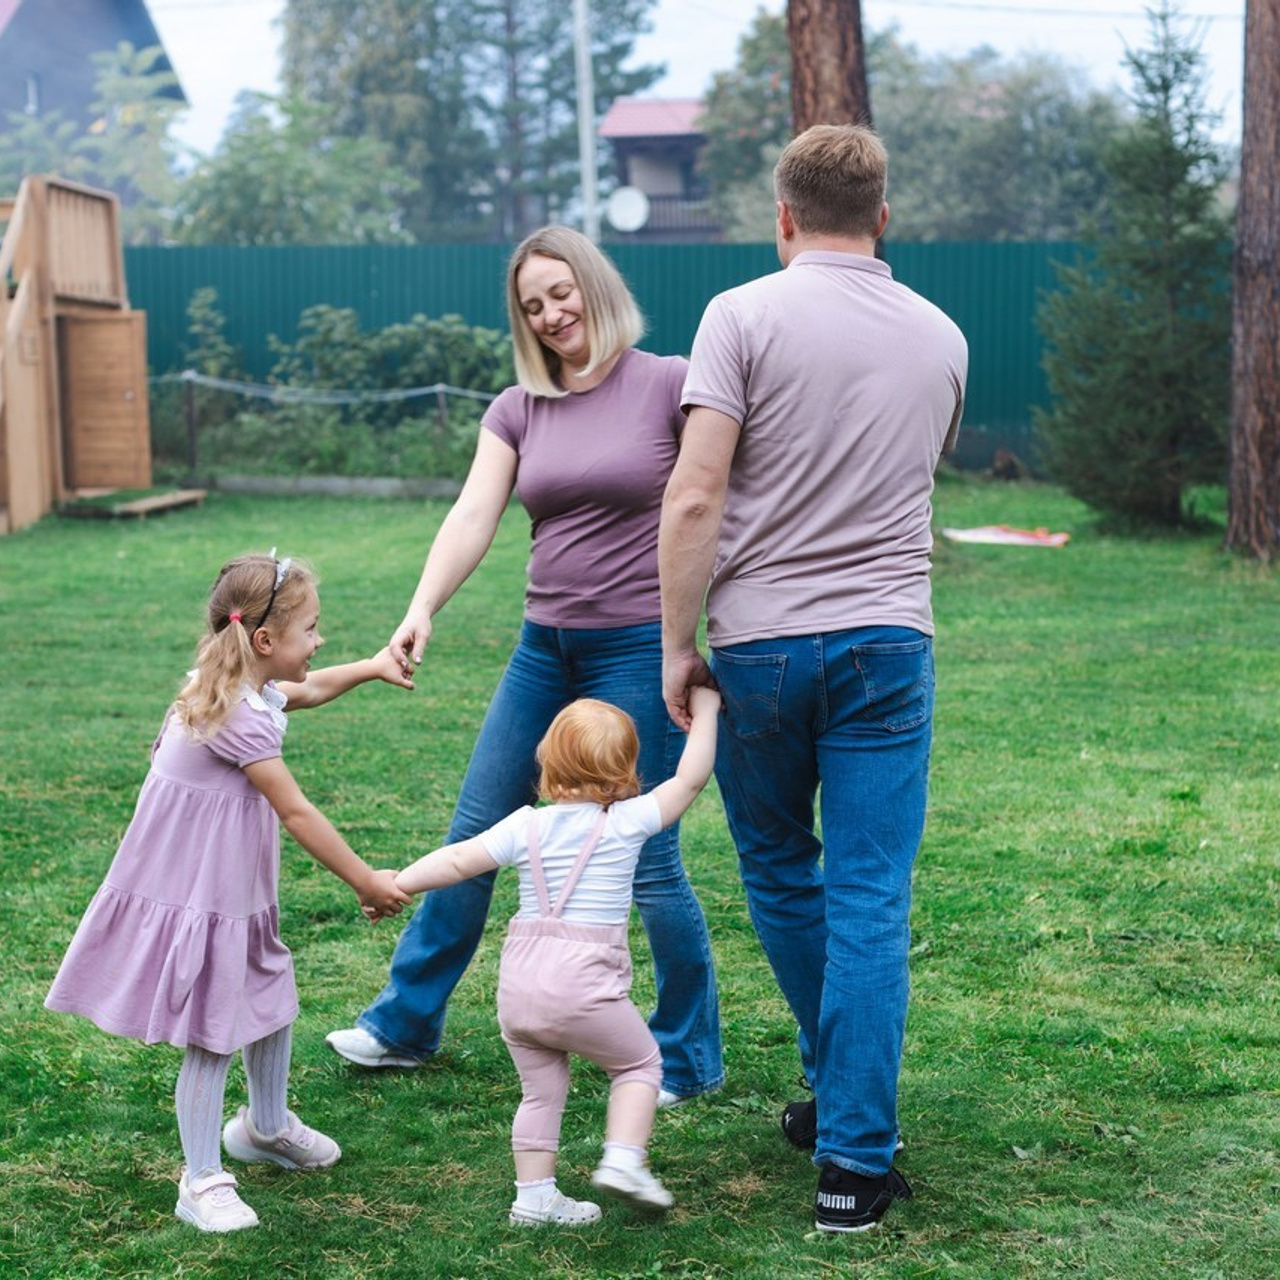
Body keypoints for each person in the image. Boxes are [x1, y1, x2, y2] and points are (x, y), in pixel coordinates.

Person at [326, 225, 724, 1107]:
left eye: (560, 293)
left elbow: (714, 500)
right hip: (544, 646)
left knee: (649, 856)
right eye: (532, 305)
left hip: (638, 648)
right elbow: (474, 513)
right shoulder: (519, 406)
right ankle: (404, 1024)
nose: (550, 315)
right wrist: (420, 607)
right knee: (477, 826)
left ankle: (687, 1057)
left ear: (595, 285)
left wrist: (693, 637)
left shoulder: (669, 381)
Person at [658, 124, 968, 1234]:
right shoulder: (941, 335)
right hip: (889, 643)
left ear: (780, 216)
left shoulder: (738, 314)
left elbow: (695, 496)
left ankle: (843, 1108)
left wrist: (671, 644)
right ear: (882, 215)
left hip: (760, 646)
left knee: (784, 872)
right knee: (870, 896)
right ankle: (851, 1157)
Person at [45, 552, 414, 1234]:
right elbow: (297, 811)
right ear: (265, 641)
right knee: (213, 1030)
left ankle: (265, 1128)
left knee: (268, 990)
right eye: (311, 629)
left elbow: (304, 690)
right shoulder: (233, 715)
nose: (319, 640)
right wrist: (365, 879)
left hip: (232, 886)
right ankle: (201, 1178)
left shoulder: (241, 685)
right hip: (196, 891)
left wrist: (371, 666)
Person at [394, 690, 720, 1226]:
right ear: (625, 771)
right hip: (583, 988)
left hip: (521, 992)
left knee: (541, 1093)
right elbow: (689, 779)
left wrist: (398, 882)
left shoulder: (524, 825)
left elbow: (456, 860)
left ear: (547, 762)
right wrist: (705, 710)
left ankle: (534, 1197)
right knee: (638, 1064)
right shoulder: (629, 821)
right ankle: (623, 1159)